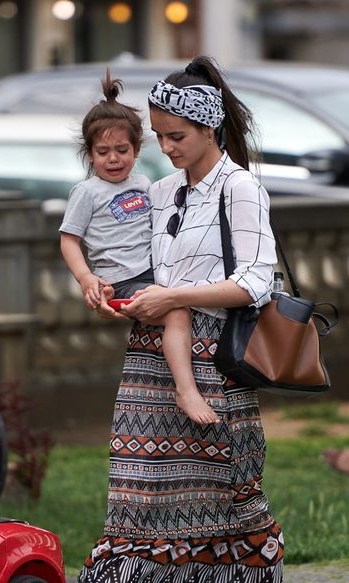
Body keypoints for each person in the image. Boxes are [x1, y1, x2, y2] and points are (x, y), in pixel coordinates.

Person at [60, 56, 287, 583]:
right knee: (135, 489)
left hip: (217, 355)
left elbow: (256, 282)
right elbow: (124, 257)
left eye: (175, 136)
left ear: (209, 129)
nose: (164, 147)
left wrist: (175, 296)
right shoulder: (159, 192)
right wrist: (113, 294)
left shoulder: (241, 188)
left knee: (228, 488)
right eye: (158, 136)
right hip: (151, 350)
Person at [59, 72, 218, 425]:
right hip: (123, 280)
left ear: (137, 149)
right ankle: (186, 390)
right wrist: (87, 279)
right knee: (177, 312)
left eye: (122, 150)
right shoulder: (86, 193)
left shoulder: (146, 184)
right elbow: (69, 239)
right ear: (89, 153)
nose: (113, 159)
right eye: (103, 152)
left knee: (182, 302)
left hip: (154, 272)